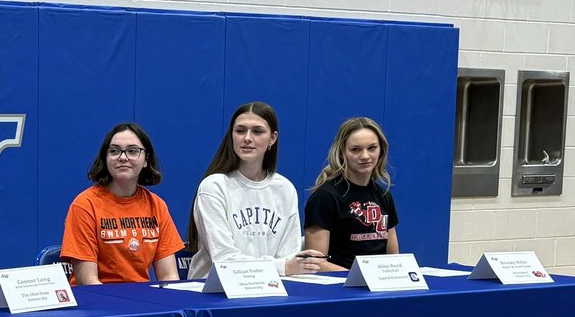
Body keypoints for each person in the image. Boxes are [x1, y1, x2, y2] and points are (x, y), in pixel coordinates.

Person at [186, 102, 325, 280]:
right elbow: (224, 259)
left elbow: (289, 256)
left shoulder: (284, 189)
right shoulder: (214, 186)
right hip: (216, 291)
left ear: (273, 138)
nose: (247, 138)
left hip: (270, 286)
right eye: (240, 130)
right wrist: (283, 266)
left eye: (257, 131)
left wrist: (285, 266)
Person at [61, 122, 184, 285]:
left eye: (132, 151)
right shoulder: (84, 205)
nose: (123, 157)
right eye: (114, 151)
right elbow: (88, 281)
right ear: (106, 159)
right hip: (96, 302)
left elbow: (169, 277)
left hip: (142, 302)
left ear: (146, 159)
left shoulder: (157, 205)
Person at [303, 116, 399, 271]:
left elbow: (393, 258)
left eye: (372, 148)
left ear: (381, 150)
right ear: (342, 153)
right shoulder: (325, 197)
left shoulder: (384, 196)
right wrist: (359, 277)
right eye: (355, 149)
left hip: (378, 286)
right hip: (340, 288)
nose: (365, 156)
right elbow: (316, 263)